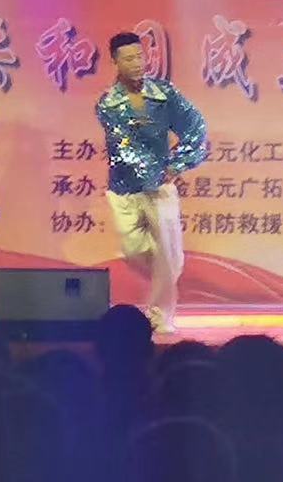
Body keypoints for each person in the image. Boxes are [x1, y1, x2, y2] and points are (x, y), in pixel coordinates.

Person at [96, 31, 210, 335]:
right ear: (115, 62)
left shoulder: (164, 94)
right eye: (128, 58)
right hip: (124, 189)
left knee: (167, 255)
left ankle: (161, 315)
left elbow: (195, 127)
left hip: (160, 188)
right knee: (134, 251)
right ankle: (168, 274)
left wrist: (177, 164)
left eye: (139, 56)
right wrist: (156, 172)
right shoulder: (108, 104)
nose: (137, 63)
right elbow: (124, 146)